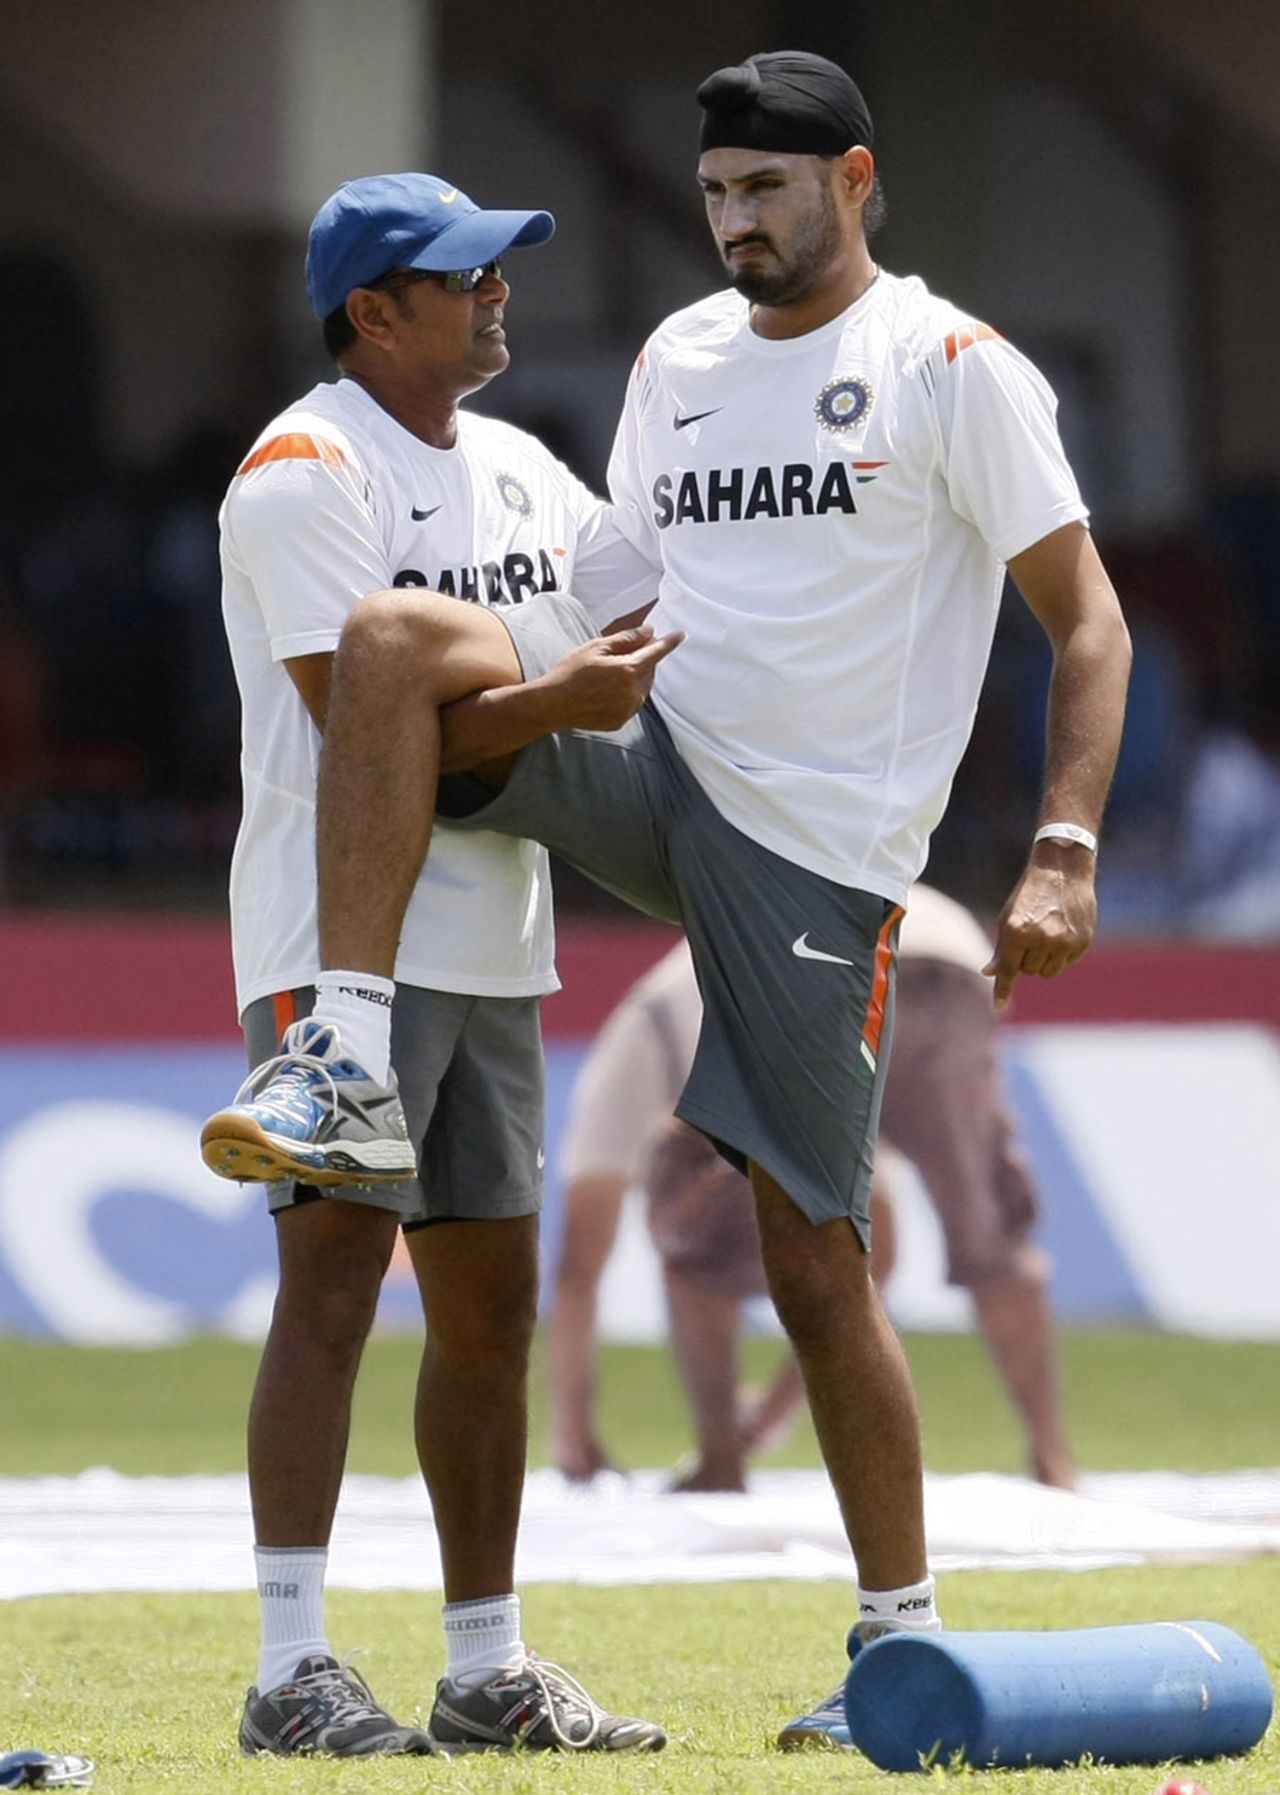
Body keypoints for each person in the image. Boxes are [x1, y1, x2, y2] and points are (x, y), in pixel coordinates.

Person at [204, 50, 1132, 1749]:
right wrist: (561, 698)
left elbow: (1083, 619)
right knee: (401, 656)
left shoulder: (946, 368)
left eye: (763, 189)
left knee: (803, 1251)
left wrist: (1062, 845)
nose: (732, 221)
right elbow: (516, 636)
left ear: (854, 180)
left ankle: (884, 1653)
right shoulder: (623, 376)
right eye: (715, 193)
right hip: (567, 814)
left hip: (800, 852)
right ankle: (330, 1057)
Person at [203, 170, 673, 1757]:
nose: (497, 294)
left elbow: (661, 627)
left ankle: (487, 1662)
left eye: (496, 269)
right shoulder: (300, 470)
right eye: (460, 275)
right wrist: (557, 697)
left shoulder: (529, 467)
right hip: (337, 946)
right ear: (372, 312)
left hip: (498, 945)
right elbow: (381, 739)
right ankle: (289, 1669)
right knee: (330, 1288)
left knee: (492, 1311)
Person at [550, 886, 1076, 1500]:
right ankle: (1053, 1461)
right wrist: (774, 1411)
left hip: (834, 968)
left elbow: (579, 1268)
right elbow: (879, 1248)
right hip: (947, 955)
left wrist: (573, 1433)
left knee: (696, 1256)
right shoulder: (675, 1009)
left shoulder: (639, 1043)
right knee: (991, 1237)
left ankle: (721, 1461)